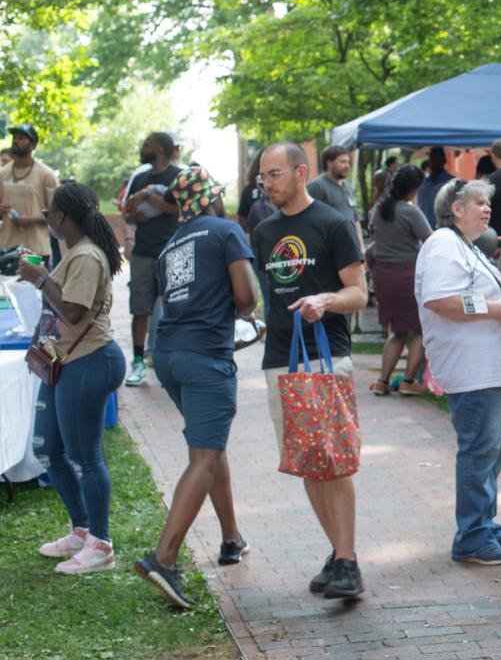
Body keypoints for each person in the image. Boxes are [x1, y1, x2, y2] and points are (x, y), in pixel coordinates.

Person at [133, 166, 259, 609]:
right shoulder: (226, 231)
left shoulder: (171, 244)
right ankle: (163, 558)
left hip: (169, 356)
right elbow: (246, 298)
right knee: (204, 457)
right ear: (211, 198)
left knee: (211, 448)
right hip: (206, 356)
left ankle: (231, 538)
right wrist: (246, 317)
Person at [415, 179, 501, 565]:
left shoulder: (464, 246)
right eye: (478, 202)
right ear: (455, 209)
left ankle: (483, 524)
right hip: (473, 369)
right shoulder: (444, 243)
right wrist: (498, 309)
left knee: (489, 453)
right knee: (479, 452)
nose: (486, 208)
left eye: (487, 202)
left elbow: (470, 294)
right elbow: (442, 299)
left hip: (489, 367)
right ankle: (472, 536)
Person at [252, 142, 369, 599]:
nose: (267, 183)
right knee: (307, 461)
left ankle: (347, 560)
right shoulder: (262, 231)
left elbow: (358, 293)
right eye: (263, 176)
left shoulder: (333, 223)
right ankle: (340, 555)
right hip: (279, 358)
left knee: (334, 461)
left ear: (302, 172)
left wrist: (325, 300)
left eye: (275, 174)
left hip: (324, 355)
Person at [19, 182, 126, 574]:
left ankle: (101, 544)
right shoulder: (74, 252)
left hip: (90, 361)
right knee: (50, 448)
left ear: (62, 217)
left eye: (48, 213)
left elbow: (74, 313)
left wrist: (40, 277)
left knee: (85, 457)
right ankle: (82, 530)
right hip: (65, 361)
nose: (46, 219)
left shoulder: (86, 256)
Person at [123, 132, 182, 386]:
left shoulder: (177, 177)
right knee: (140, 309)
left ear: (158, 149)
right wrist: (133, 214)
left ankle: (172, 362)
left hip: (172, 251)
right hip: (143, 253)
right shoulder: (140, 176)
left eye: (147, 144)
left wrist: (149, 196)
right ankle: (138, 363)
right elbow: (127, 214)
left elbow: (177, 208)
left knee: (176, 308)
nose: (142, 148)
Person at [367, 164, 432, 396]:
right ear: (414, 188)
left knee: (397, 331)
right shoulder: (410, 211)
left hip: (383, 275)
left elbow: (373, 246)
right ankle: (408, 380)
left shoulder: (379, 209)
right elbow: (431, 241)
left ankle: (383, 381)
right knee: (421, 330)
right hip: (407, 275)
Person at [0, 123, 59, 261]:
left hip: (36, 250)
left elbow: (58, 214)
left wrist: (31, 220)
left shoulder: (47, 175)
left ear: (33, 145)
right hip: (5, 248)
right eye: (14, 137)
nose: (15, 141)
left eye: (21, 138)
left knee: (34, 283)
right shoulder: (2, 174)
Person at [307, 145, 365, 252]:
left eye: (348, 162)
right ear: (329, 163)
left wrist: (361, 245)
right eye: (342, 162)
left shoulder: (347, 187)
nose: (347, 166)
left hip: (351, 246)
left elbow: (355, 219)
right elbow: (308, 221)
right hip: (329, 249)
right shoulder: (317, 187)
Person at [416, 147, 455, 227]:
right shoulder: (422, 182)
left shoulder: (452, 183)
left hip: (443, 231)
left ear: (444, 161)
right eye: (432, 160)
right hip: (422, 230)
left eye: (437, 160)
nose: (434, 163)